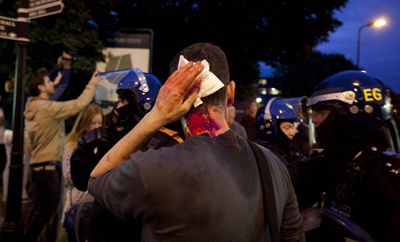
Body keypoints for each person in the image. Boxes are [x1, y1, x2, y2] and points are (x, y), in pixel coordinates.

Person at [87, 42, 305, 241]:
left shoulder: (156, 168)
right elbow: (294, 235)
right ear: (230, 93)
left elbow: (97, 179)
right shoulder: (273, 164)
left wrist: (155, 116)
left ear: (173, 95)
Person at [70, 68, 184, 241]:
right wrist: (84, 149)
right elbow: (84, 182)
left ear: (143, 102)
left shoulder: (166, 144)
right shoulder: (118, 137)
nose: (118, 107)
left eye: (124, 101)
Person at [287, 70, 400, 241]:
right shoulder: (338, 162)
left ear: (352, 115)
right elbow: (297, 176)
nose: (315, 120)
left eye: (322, 112)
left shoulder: (386, 179)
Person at [23, 67, 100, 242]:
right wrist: (92, 84)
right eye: (48, 81)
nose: (52, 83)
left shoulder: (34, 107)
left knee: (38, 212)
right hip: (47, 170)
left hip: (38, 168)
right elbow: (78, 105)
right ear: (41, 88)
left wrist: (56, 79)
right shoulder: (47, 108)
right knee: (43, 213)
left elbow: (55, 91)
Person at [2, 53, 72, 203]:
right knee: (22, 165)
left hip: (8, 131)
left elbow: (45, 81)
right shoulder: (40, 100)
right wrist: (65, 67)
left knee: (11, 165)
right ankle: (18, 195)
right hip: (21, 134)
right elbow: (62, 85)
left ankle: (9, 195)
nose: (51, 83)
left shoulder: (19, 95)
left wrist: (56, 67)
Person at [61, 103, 105, 242]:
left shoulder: (103, 146)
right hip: (78, 200)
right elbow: (68, 177)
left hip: (96, 204)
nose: (97, 127)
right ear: (84, 123)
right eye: (93, 123)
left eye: (99, 122)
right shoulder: (72, 145)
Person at [254, 97, 298, 166]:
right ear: (270, 128)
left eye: (292, 127)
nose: (293, 133)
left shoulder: (279, 152)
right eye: (287, 127)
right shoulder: (266, 156)